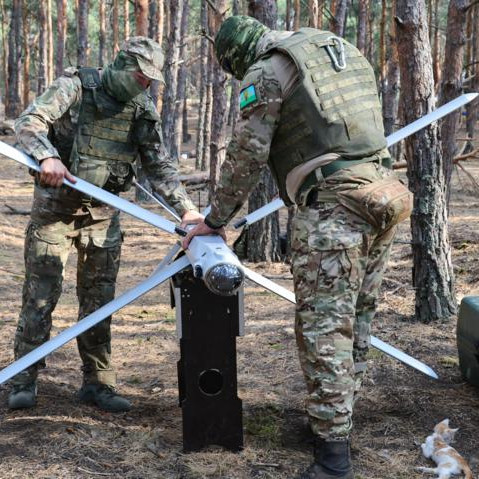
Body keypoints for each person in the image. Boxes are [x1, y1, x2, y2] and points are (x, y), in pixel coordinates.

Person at [183, 16, 411, 479]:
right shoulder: (335, 51)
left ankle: (332, 459)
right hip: (384, 194)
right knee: (357, 320)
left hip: (333, 209)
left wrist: (214, 221)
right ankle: (336, 423)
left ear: (235, 56)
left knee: (325, 331)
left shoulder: (268, 69)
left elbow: (247, 154)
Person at [9, 37, 202, 413]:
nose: (146, 85)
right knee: (40, 296)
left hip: (103, 218)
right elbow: (29, 122)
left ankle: (98, 383)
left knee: (99, 301)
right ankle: (23, 378)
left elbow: (158, 166)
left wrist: (187, 210)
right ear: (122, 65)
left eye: (151, 81)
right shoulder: (76, 87)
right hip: (55, 213)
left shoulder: (142, 109)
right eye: (141, 77)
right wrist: (47, 156)